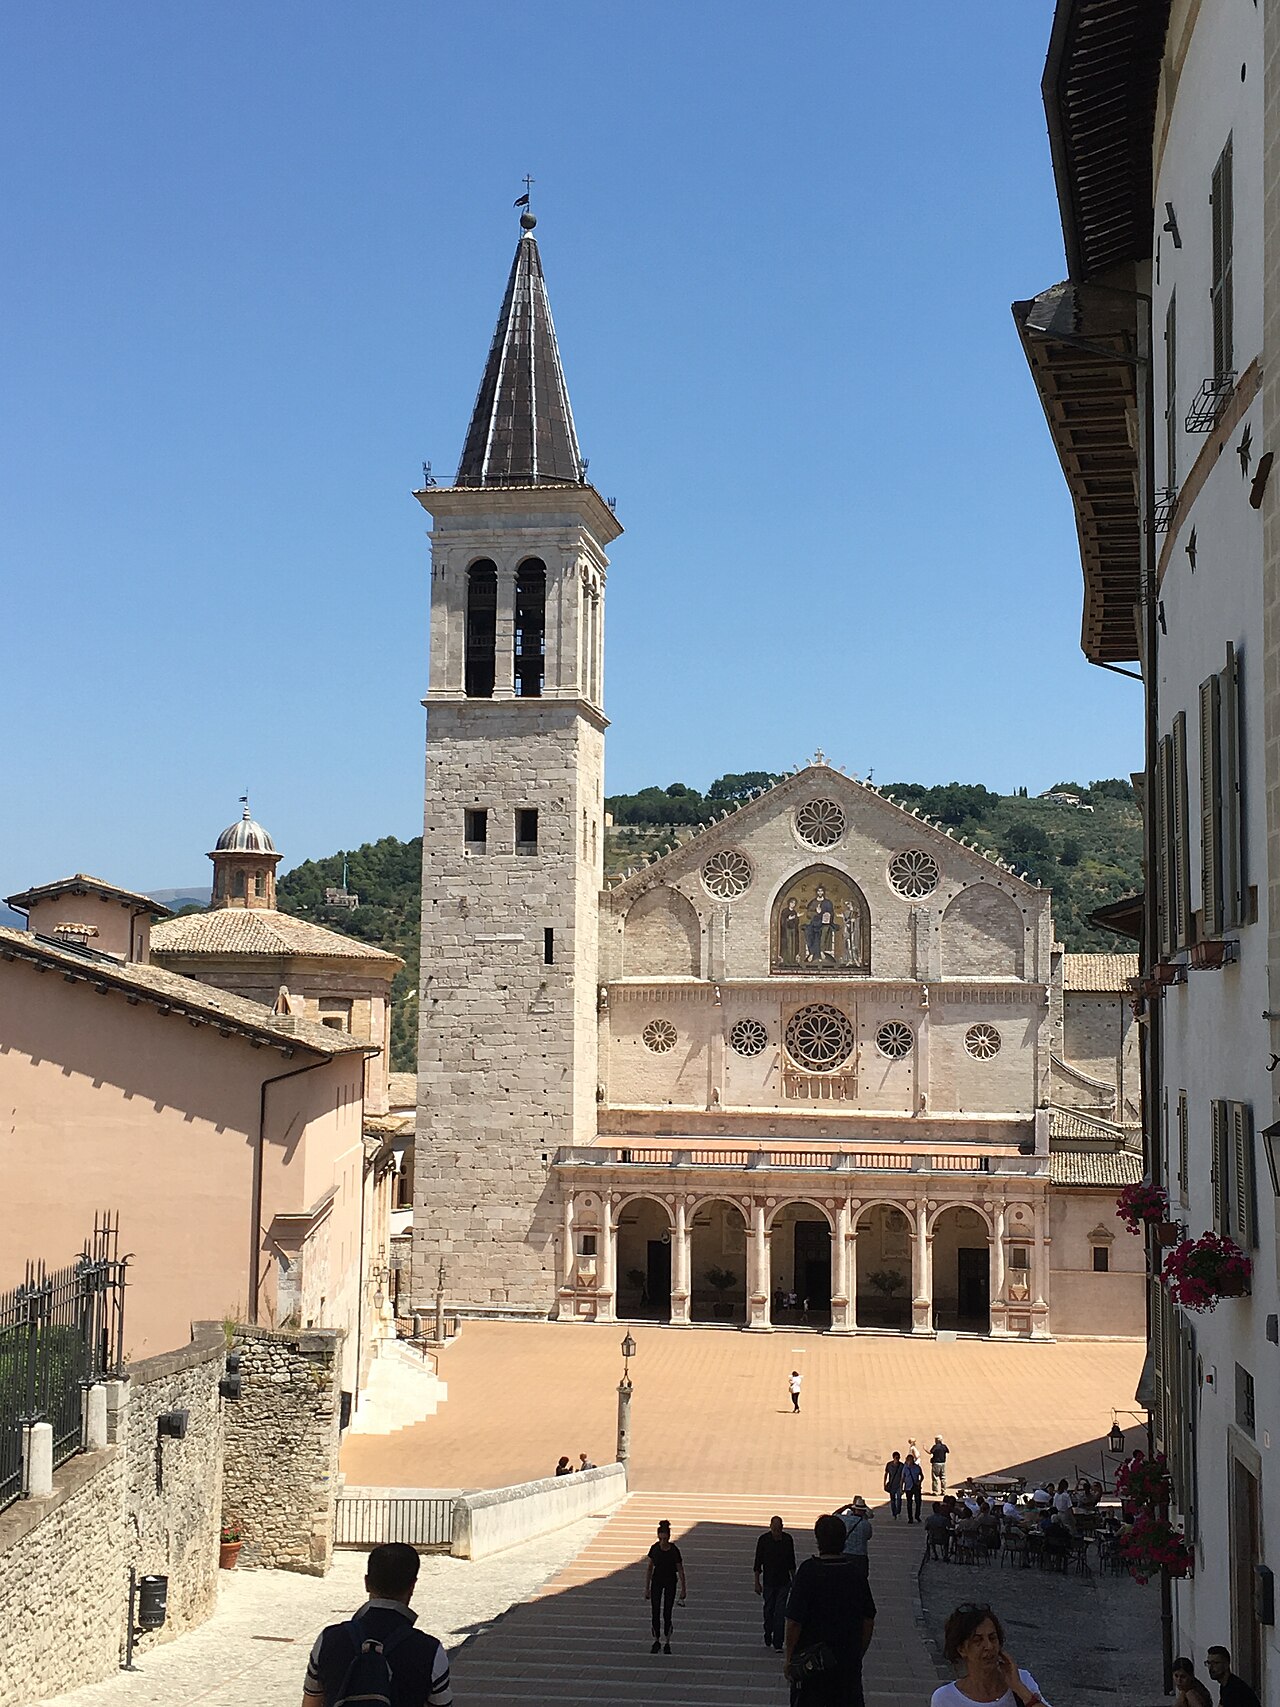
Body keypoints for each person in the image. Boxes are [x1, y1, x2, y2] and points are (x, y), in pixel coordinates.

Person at [302, 1542, 451, 1707]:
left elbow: (310, 1703)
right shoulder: (430, 1651)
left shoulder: (328, 1640)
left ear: (366, 1582)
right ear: (412, 1586)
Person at [784, 1512, 877, 1706]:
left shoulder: (808, 1572)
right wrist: (858, 1653)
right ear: (844, 1540)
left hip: (812, 1667)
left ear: (818, 1540)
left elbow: (794, 1622)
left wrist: (789, 1658)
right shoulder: (855, 1573)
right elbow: (868, 1619)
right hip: (847, 1667)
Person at [930, 1603, 1048, 1707]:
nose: (989, 1646)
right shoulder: (945, 1698)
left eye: (992, 1638)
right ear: (962, 1649)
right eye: (978, 1640)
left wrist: (1019, 1688)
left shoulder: (1022, 1680)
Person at [753, 1514, 796, 1651]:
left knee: (780, 1612)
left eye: (779, 1528)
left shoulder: (788, 1540)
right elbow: (758, 1562)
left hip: (784, 1582)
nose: (777, 1531)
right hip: (769, 1583)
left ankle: (778, 1642)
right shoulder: (764, 1540)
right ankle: (768, 1632)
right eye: (774, 1528)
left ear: (782, 1527)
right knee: (768, 1610)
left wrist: (794, 1580)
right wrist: (756, 1582)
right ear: (770, 1526)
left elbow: (791, 1562)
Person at [644, 1519, 686, 1654]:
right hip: (657, 1581)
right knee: (655, 1611)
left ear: (669, 1536)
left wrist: (683, 1588)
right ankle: (656, 1640)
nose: (662, 1541)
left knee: (667, 1612)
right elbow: (649, 1568)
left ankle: (667, 1641)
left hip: (670, 1582)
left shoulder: (674, 1550)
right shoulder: (654, 1549)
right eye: (660, 1538)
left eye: (665, 1538)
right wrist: (647, 1588)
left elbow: (680, 1569)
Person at [837, 1495, 873, 1578]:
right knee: (861, 1578)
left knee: (845, 1577)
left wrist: (846, 1507)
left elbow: (835, 1514)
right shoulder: (866, 1524)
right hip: (861, 1555)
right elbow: (869, 1536)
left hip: (846, 1553)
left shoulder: (846, 1520)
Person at [903, 1451, 924, 1523]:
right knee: (909, 1503)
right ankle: (910, 1518)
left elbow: (922, 1476)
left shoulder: (917, 1467)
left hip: (916, 1487)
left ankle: (917, 1516)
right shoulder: (905, 1468)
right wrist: (902, 1487)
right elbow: (902, 1478)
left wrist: (919, 1482)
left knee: (918, 1502)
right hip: (908, 1487)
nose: (909, 1461)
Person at [884, 1451, 905, 1519]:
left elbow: (903, 1476)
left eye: (898, 1458)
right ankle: (894, 1513)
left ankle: (898, 1512)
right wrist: (884, 1483)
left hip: (899, 1485)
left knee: (899, 1499)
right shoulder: (889, 1465)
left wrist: (903, 1486)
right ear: (893, 1458)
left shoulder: (902, 1465)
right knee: (892, 1500)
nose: (897, 1459)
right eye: (896, 1458)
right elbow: (886, 1474)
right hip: (892, 1485)